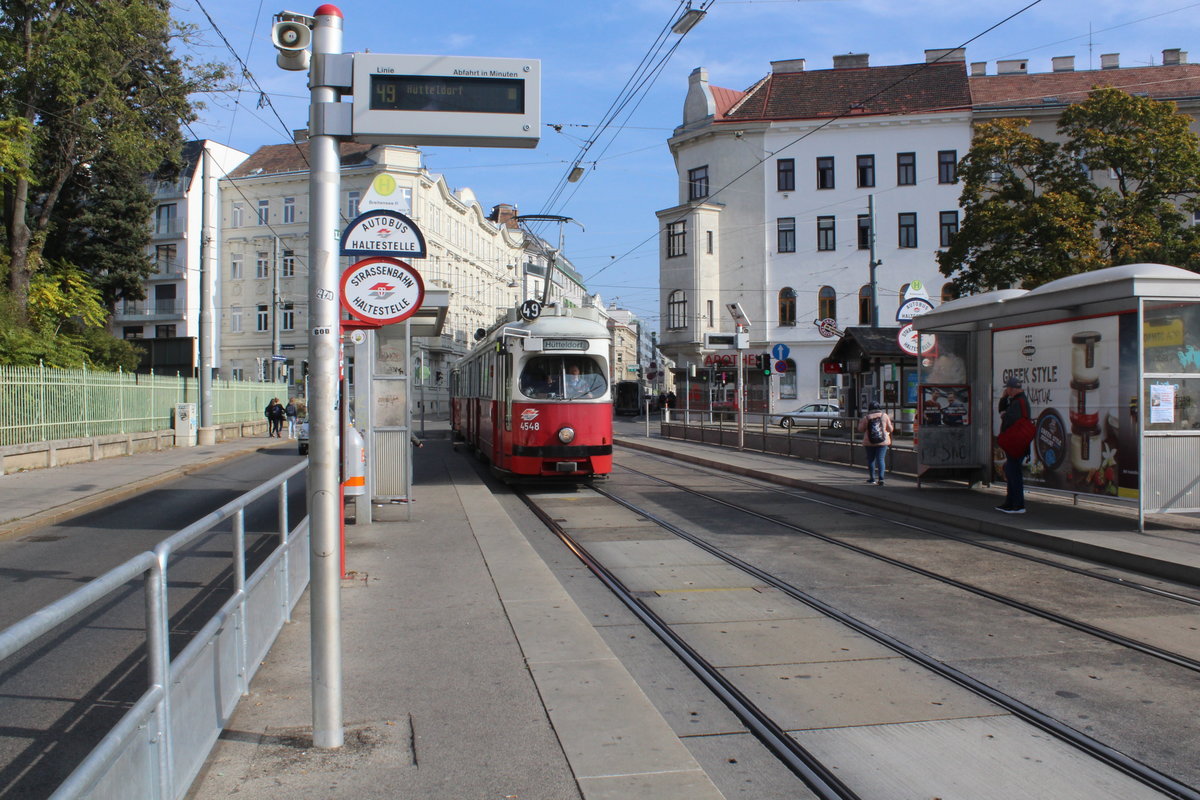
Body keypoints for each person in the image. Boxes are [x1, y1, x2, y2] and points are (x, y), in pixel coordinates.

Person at [997, 376, 1031, 514]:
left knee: (1013, 473)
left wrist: (1004, 414)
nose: (1007, 391)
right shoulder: (1018, 401)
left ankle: (1017, 505)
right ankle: (1010, 503)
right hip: (1017, 443)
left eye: (1007, 389)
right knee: (1011, 472)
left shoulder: (1018, 402)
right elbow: (1002, 412)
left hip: (1017, 443)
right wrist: (1003, 399)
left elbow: (1008, 419)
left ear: (1011, 388)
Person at [857, 401, 893, 486]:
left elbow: (860, 429)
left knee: (871, 460)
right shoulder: (884, 416)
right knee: (880, 459)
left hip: (869, 442)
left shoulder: (866, 417)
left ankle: (872, 479)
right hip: (882, 441)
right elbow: (890, 429)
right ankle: (881, 479)